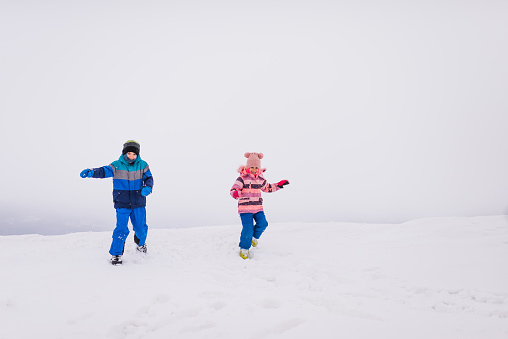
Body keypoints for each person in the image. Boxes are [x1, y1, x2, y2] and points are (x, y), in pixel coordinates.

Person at [80, 140, 154, 265]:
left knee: (141, 228)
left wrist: (148, 187)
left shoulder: (143, 165)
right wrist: (92, 172)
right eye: (129, 153)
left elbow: (149, 178)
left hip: (138, 202)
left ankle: (140, 244)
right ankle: (116, 254)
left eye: (134, 154)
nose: (131, 156)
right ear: (124, 153)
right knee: (121, 229)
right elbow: (103, 171)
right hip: (122, 203)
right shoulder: (116, 165)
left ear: (137, 155)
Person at [230, 152, 289, 259]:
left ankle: (254, 237)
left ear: (259, 168)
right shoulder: (242, 178)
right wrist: (235, 192)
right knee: (248, 229)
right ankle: (244, 248)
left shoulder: (260, 179)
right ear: (248, 167)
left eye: (256, 167)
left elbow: (267, 188)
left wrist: (279, 185)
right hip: (245, 209)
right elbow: (234, 188)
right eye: (251, 167)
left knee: (263, 223)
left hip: (257, 207)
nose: (253, 169)